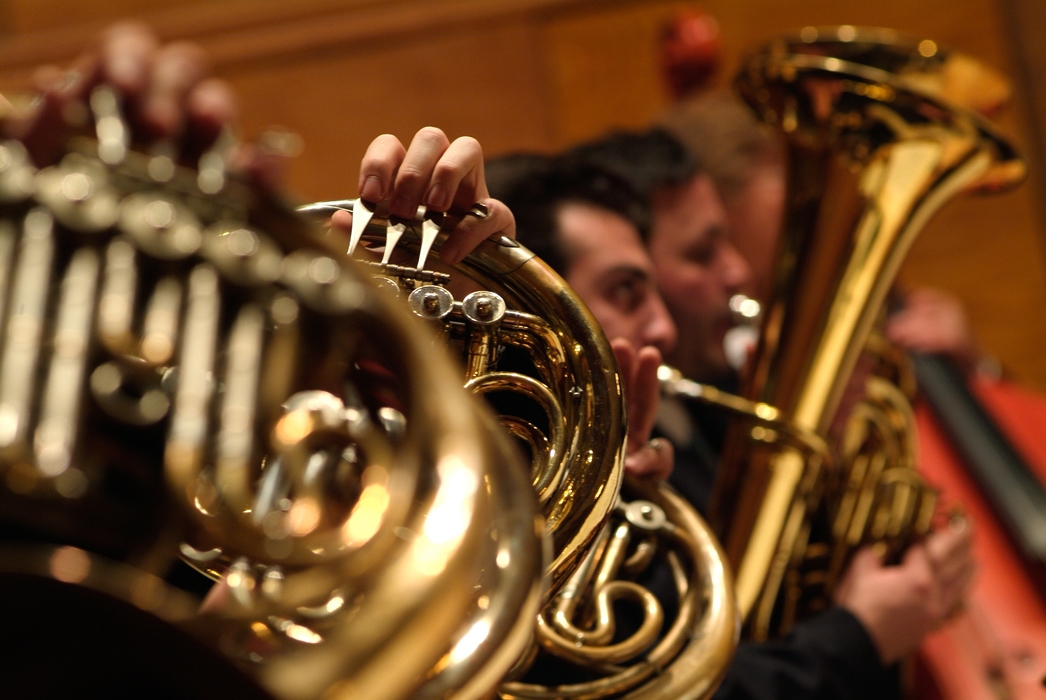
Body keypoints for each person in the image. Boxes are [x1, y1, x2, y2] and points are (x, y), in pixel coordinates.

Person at [566, 126, 975, 699]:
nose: (736, 272)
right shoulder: (589, 484)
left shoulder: (720, 403)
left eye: (730, 244)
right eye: (702, 253)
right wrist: (859, 633)